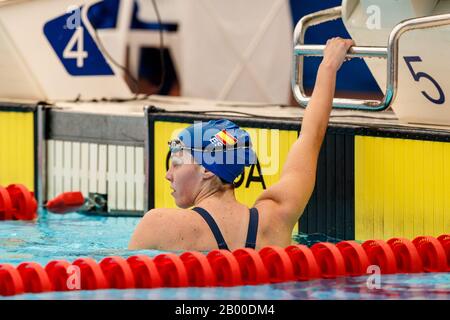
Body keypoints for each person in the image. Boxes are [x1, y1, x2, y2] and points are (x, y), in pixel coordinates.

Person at [129, 37, 355, 251]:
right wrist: (328, 66)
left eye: (177, 163)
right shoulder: (276, 218)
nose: (168, 174)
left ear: (207, 169)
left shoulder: (159, 224)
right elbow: (310, 136)